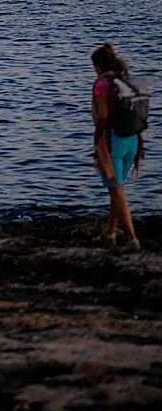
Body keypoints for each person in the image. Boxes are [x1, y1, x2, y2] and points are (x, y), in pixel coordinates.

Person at [90, 42, 142, 253]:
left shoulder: (101, 84)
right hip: (133, 140)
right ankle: (110, 234)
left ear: (99, 65)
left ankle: (132, 239)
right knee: (117, 190)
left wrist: (97, 141)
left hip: (113, 141)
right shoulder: (125, 81)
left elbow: (102, 116)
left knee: (117, 190)